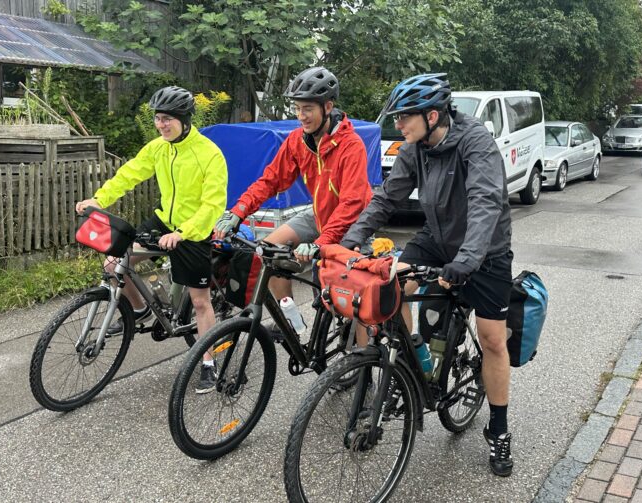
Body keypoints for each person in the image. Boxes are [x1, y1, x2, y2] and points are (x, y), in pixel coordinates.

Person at [340, 73, 515, 477]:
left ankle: (499, 428)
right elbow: (388, 197)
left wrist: (467, 260)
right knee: (389, 283)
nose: (398, 125)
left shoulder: (475, 142)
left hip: (486, 249)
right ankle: (411, 364)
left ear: (432, 116)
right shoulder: (414, 148)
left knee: (492, 339)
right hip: (437, 239)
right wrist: (350, 241)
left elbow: (486, 202)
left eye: (404, 117)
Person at [75, 86, 228, 394]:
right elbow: (129, 174)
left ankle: (209, 363)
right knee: (113, 263)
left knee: (200, 301)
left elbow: (213, 204)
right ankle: (138, 309)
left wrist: (183, 233)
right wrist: (98, 199)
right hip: (164, 222)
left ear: (185, 119)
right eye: (158, 118)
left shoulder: (209, 154)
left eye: (167, 119)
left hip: (193, 231)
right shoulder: (158, 148)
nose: (161, 125)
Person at [213, 67, 372, 342]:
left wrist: (322, 243)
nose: (301, 116)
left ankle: (362, 358)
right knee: (268, 253)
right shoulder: (298, 140)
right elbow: (270, 180)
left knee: (353, 297)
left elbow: (352, 202)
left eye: (307, 108)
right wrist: (238, 212)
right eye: (297, 108)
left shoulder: (351, 145)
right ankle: (292, 324)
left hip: (352, 223)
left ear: (328, 107)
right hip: (318, 215)